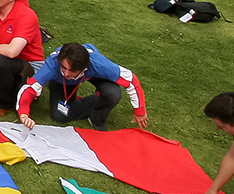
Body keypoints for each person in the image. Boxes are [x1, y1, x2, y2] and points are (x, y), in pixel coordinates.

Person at [17, 41, 148, 129]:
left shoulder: (99, 64)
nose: (67, 73)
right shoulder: (52, 65)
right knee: (59, 116)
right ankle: (83, 103)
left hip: (92, 74)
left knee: (113, 93)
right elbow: (30, 87)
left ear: (84, 68)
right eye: (64, 67)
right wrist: (23, 113)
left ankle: (97, 116)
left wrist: (139, 110)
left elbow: (130, 80)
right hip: (60, 83)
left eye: (72, 70)